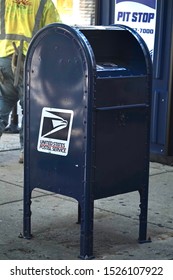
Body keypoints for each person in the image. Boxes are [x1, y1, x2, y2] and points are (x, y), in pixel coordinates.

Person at [0, 0, 61, 163]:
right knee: (30, 107)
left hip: (4, 59)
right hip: (30, 60)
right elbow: (56, 32)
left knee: (3, 102)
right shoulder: (43, 3)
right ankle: (26, 152)